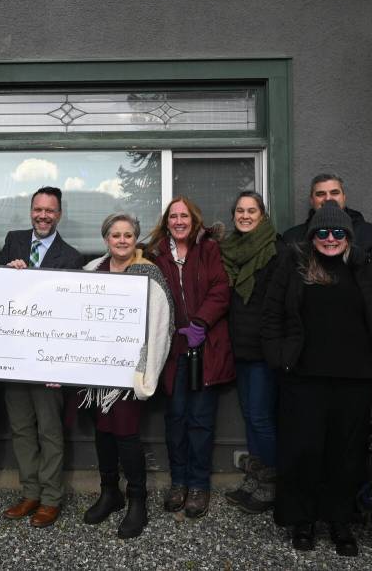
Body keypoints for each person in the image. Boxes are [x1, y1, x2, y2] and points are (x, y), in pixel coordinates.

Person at [262, 200, 372, 556]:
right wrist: (278, 359)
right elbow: (271, 314)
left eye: (338, 232)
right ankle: (303, 520)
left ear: (349, 237)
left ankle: (340, 521)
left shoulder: (364, 269)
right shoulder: (294, 265)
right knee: (303, 452)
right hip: (303, 378)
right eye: (322, 232)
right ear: (311, 236)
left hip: (354, 381)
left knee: (345, 455)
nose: (330, 238)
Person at [81, 213, 174, 539]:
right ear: (106, 238)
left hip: (131, 369)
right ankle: (110, 492)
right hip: (99, 369)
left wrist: (146, 370)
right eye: (115, 235)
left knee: (125, 433)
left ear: (136, 239)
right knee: (102, 431)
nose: (121, 240)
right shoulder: (92, 271)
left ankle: (138, 499)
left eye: (128, 235)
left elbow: (162, 323)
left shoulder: (149, 273)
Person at [0, 186, 83, 528]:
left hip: (49, 361)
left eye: (50, 210)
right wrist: (7, 271)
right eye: (38, 209)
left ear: (59, 214)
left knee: (49, 431)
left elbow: (70, 313)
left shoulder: (71, 256)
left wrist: (63, 364)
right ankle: (30, 492)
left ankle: (50, 498)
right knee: (21, 428)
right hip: (14, 354)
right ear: (30, 210)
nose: (43, 215)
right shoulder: (13, 241)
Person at [145, 196, 232, 519]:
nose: (179, 221)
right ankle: (178, 482)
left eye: (184, 216)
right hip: (172, 351)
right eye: (173, 216)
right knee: (176, 418)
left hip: (204, 347)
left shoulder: (208, 249)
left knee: (200, 420)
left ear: (194, 220)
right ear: (166, 222)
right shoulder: (155, 255)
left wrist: (201, 322)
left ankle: (198, 485)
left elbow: (221, 289)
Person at [219, 191, 284, 514]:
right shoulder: (229, 249)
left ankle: (272, 483)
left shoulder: (276, 249)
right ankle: (257, 476)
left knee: (261, 418)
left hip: (263, 350)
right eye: (240, 210)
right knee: (250, 416)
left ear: (262, 215)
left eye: (252, 210)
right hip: (239, 347)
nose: (245, 216)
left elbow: (278, 306)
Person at [282, 173, 372, 289]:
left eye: (334, 193)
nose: (328, 198)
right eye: (320, 194)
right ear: (312, 200)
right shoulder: (292, 237)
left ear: (344, 197)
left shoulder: (370, 234)